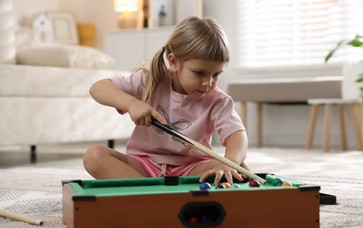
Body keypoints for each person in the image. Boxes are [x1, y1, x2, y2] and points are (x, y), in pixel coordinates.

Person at [83, 16, 249, 185]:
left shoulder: (218, 100)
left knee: (239, 167)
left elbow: (237, 136)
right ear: (174, 62)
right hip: (144, 165)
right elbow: (98, 88)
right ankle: (150, 194)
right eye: (199, 73)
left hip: (192, 167)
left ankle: (147, 194)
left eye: (216, 74)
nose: (208, 83)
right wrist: (132, 104)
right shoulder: (149, 80)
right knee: (94, 156)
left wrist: (229, 162)